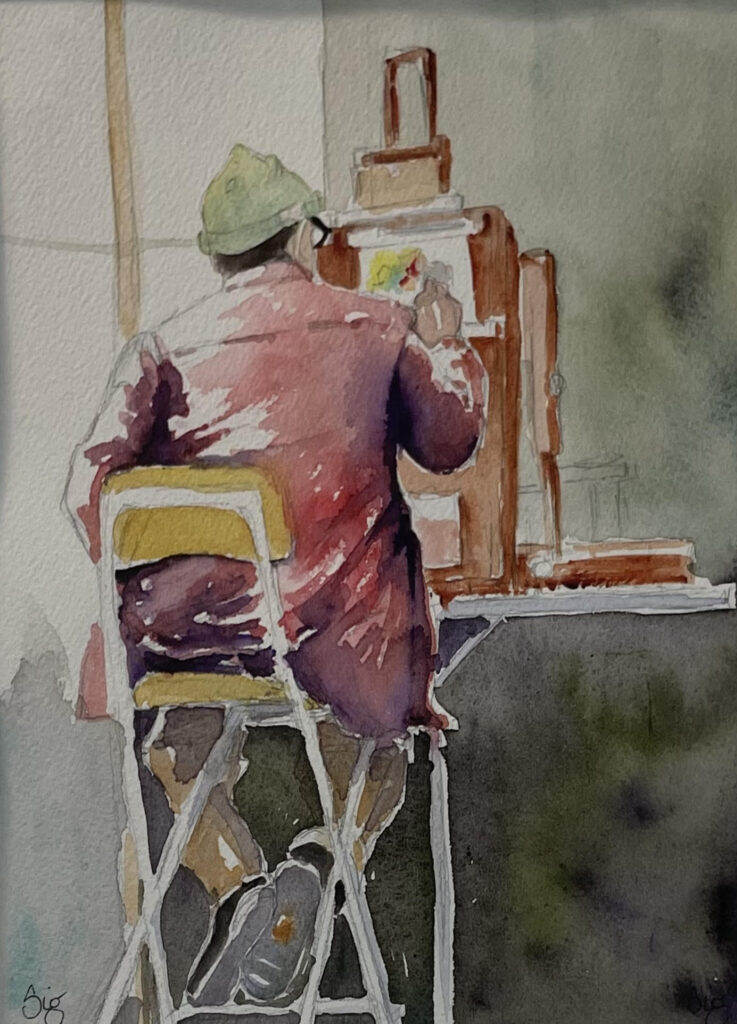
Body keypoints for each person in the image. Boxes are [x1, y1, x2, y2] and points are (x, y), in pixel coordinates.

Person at [65, 144, 485, 1004]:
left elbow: (89, 494)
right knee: (377, 754)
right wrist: (450, 346)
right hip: (331, 637)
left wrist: (173, 548)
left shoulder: (161, 350)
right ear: (300, 236)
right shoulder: (377, 325)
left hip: (186, 643)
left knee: (175, 753)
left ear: (221, 256)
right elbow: (450, 440)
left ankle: (245, 890)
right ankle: (315, 875)